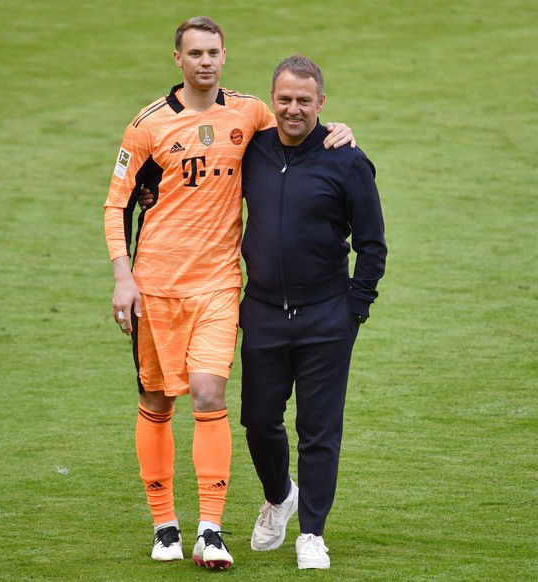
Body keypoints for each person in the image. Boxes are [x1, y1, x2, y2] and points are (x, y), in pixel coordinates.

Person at [103, 18, 355, 570]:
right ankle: (164, 523)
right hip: (156, 286)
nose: (206, 62)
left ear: (224, 55)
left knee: (210, 396)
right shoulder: (146, 127)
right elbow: (116, 204)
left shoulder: (249, 113)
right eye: (194, 53)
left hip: (220, 284)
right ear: (178, 59)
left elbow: (297, 124)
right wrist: (124, 276)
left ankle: (210, 529)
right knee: (156, 401)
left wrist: (339, 131)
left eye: (214, 52)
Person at [238, 55, 387, 570]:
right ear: (271, 100)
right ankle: (280, 496)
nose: (293, 109)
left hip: (327, 316)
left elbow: (373, 245)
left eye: (305, 100)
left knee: (319, 428)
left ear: (322, 102)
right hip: (260, 314)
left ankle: (313, 534)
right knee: (258, 420)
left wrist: (354, 311)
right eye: (284, 99)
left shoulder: (346, 158)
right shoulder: (252, 149)